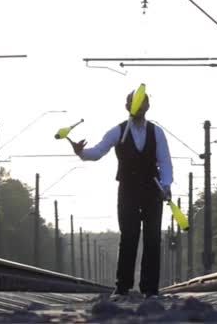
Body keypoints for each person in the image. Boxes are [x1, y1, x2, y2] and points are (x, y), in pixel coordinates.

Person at [69, 90, 173, 298]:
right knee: (129, 236)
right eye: (133, 102)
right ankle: (123, 287)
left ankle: (150, 289)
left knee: (153, 238)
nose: (137, 106)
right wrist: (80, 152)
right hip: (128, 189)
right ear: (126, 106)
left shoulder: (157, 132)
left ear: (147, 107)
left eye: (142, 103)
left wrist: (166, 185)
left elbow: (165, 161)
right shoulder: (118, 131)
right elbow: (98, 152)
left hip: (152, 190)